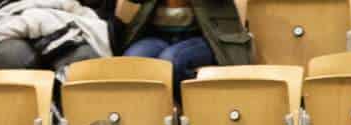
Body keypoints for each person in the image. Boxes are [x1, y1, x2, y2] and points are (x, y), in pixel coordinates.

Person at [105, 0, 251, 91]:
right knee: (132, 60)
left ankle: (186, 110)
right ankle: (154, 114)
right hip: (157, 35)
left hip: (204, 36)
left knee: (171, 61)